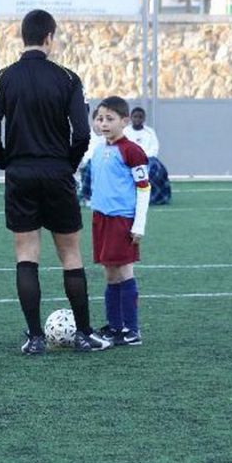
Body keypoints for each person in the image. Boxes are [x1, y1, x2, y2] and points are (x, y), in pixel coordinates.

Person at [0, 8, 111, 355]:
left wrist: (4, 160)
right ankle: (84, 334)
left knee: (26, 254)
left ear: (23, 37)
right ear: (49, 37)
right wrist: (66, 164)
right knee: (70, 254)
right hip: (57, 172)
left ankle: (35, 338)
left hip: (20, 173)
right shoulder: (68, 78)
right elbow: (83, 132)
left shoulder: (0, 79)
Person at [90, 96, 151, 346]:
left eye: (109, 119)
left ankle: (132, 329)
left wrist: (139, 225)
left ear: (124, 121)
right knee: (110, 273)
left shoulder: (132, 151)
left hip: (122, 220)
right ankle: (115, 326)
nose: (103, 124)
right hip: (101, 219)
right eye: (99, 118)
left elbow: (144, 188)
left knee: (124, 271)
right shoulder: (98, 149)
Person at [125, 106, 171, 205]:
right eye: (135, 117)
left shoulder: (150, 132)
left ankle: (154, 198)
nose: (137, 119)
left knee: (158, 169)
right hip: (129, 159)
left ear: (144, 119)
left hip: (148, 159)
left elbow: (155, 148)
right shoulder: (125, 132)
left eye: (140, 117)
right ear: (131, 118)